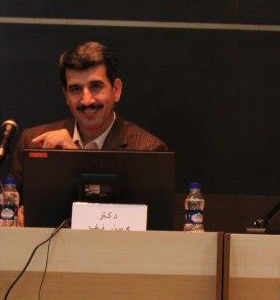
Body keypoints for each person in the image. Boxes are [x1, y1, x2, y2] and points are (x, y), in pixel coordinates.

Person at [10, 41, 167, 199]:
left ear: (116, 90)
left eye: (95, 86)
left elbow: (137, 213)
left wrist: (75, 158)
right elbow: (6, 209)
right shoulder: (33, 142)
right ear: (66, 95)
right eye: (75, 89)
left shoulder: (148, 152)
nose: (86, 100)